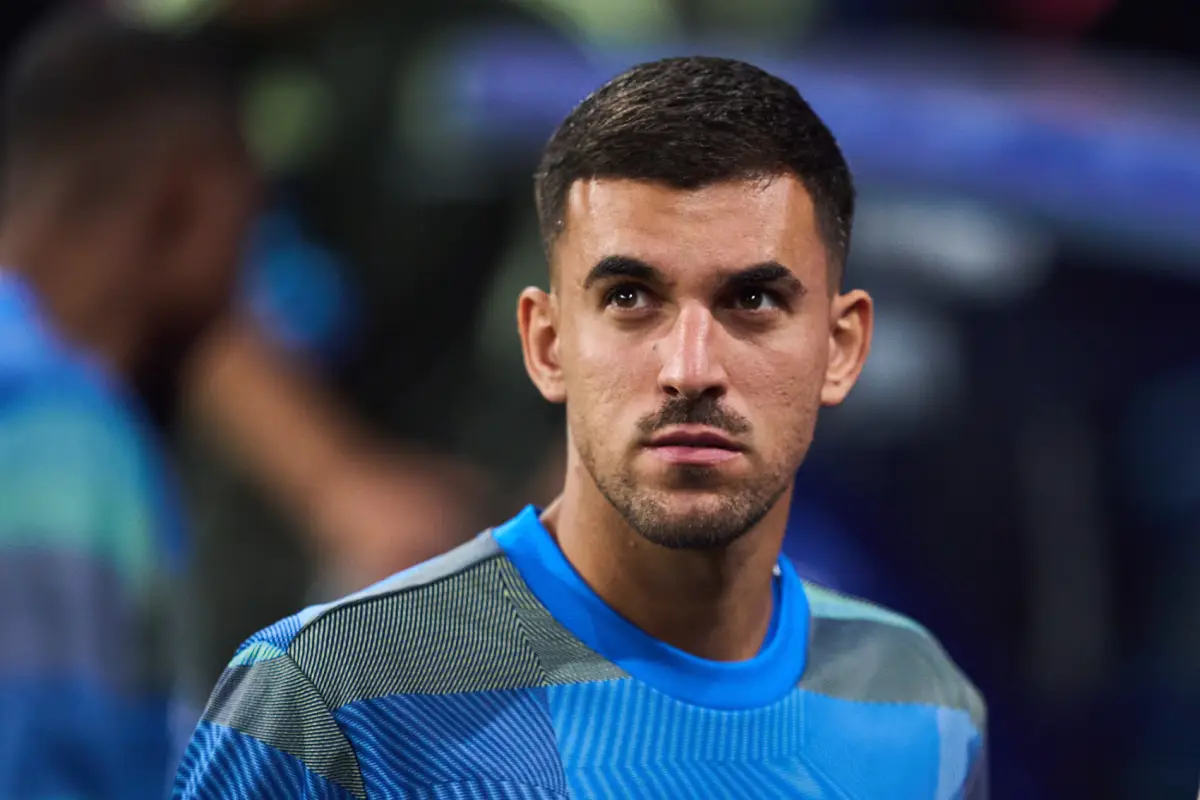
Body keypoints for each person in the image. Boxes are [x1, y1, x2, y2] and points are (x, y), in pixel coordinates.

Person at [175, 56, 988, 799]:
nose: (690, 367)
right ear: (548, 343)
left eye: (753, 300)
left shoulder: (924, 706)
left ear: (842, 350)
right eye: (631, 298)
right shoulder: (330, 703)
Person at [0, 11, 257, 799]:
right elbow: (43, 758)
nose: (252, 281)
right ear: (181, 201)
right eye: (252, 219)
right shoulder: (59, 428)